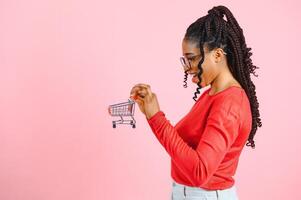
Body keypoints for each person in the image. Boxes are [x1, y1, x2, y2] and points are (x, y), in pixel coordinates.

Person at [129, 5, 262, 200]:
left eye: (191, 59)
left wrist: (156, 117)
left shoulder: (229, 105)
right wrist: (151, 111)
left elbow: (199, 171)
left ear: (217, 55)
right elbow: (186, 148)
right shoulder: (213, 94)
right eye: (184, 60)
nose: (187, 68)